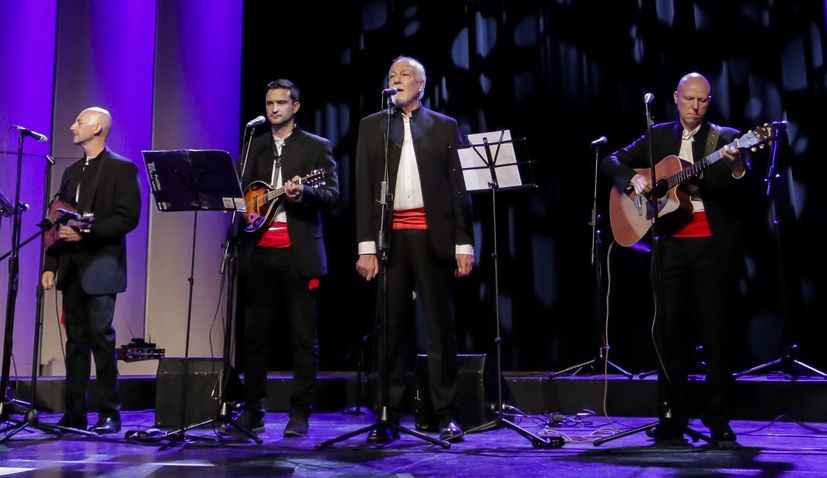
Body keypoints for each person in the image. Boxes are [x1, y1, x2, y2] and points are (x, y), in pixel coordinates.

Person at [601, 72, 748, 446]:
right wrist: (632, 180)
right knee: (668, 334)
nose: (695, 107)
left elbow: (744, 186)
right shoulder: (659, 135)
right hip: (668, 246)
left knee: (716, 334)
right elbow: (612, 160)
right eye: (689, 99)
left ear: (709, 101)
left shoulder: (726, 138)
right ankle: (670, 415)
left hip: (711, 247)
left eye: (702, 100)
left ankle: (717, 417)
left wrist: (736, 165)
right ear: (676, 98)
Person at [355, 56, 475, 443]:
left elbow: (459, 190)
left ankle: (447, 413)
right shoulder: (372, 126)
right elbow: (364, 188)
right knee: (390, 330)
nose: (397, 80)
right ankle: (387, 415)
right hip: (389, 241)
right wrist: (366, 247)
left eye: (405, 75)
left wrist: (463, 242)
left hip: (432, 238)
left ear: (421, 85)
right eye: (392, 75)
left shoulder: (444, 126)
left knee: (439, 329)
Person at [228, 79, 339, 438]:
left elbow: (332, 194)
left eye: (281, 103)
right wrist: (245, 210)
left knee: (303, 337)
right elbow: (239, 195)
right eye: (269, 103)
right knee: (254, 337)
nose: (274, 109)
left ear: (296, 107)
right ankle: (252, 410)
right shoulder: (253, 146)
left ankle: (300, 412)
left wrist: (303, 192)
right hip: (257, 252)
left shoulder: (316, 147)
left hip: (297, 254)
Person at [42, 107, 141, 434]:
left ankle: (109, 413)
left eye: (79, 121)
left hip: (101, 267)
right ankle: (74, 414)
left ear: (97, 127)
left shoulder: (122, 169)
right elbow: (57, 220)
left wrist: (86, 232)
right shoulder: (71, 172)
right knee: (75, 343)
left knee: (101, 340)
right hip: (71, 268)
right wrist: (51, 264)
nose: (73, 126)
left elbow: (128, 218)